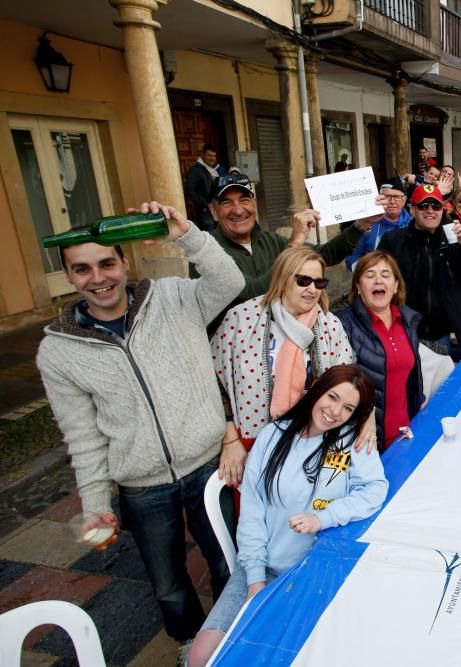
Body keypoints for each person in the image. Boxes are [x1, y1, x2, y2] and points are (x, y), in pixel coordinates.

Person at [36, 202, 245, 655]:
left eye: (106, 263)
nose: (98, 278)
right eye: (82, 269)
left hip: (208, 464)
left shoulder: (173, 298)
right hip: (141, 483)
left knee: (230, 559)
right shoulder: (58, 351)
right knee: (167, 580)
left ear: (124, 262)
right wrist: (95, 504)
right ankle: (190, 641)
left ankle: (238, 634)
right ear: (69, 277)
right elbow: (82, 435)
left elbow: (230, 281)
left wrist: (184, 232)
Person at [186, 365, 388, 667]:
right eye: (332, 397)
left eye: (348, 408)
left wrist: (325, 517)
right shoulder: (273, 436)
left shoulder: (347, 441)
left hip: (315, 570)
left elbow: (374, 488)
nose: (335, 412)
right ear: (317, 388)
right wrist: (254, 581)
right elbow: (252, 512)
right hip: (264, 566)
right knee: (201, 654)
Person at [211, 246, 359, 455]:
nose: (312, 289)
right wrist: (230, 440)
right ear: (282, 278)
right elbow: (212, 382)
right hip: (250, 444)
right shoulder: (241, 319)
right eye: (303, 280)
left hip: (313, 441)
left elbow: (347, 383)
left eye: (319, 282)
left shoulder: (330, 325)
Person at [201, 173, 375, 333]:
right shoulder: (206, 250)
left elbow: (326, 255)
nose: (238, 210)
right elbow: (251, 295)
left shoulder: (268, 240)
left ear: (254, 204)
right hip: (236, 352)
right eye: (226, 203)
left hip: (278, 343)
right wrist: (295, 241)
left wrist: (362, 224)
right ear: (213, 211)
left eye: (244, 200)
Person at [379, 184, 461, 360]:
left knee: (444, 385)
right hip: (406, 332)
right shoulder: (394, 240)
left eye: (436, 206)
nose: (430, 210)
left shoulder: (452, 238)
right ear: (412, 210)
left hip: (445, 334)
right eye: (423, 205)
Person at [336, 251, 424, 451]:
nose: (378, 280)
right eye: (369, 275)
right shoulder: (341, 324)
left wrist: (419, 397)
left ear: (395, 286)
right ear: (358, 286)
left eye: (386, 275)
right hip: (362, 440)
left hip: (404, 432)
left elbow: (410, 372)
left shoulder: (408, 320)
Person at [347, 177, 413, 271]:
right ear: (379, 198)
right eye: (387, 196)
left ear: (404, 200)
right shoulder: (366, 223)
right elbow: (352, 257)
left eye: (397, 197)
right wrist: (368, 270)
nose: (392, 201)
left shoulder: (413, 224)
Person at [185, 143, 220, 231]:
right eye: (209, 155)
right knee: (210, 236)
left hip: (216, 209)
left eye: (214, 156)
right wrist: (203, 205)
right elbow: (190, 190)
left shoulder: (214, 170)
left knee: (218, 235)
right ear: (203, 155)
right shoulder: (195, 170)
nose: (212, 158)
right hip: (205, 212)